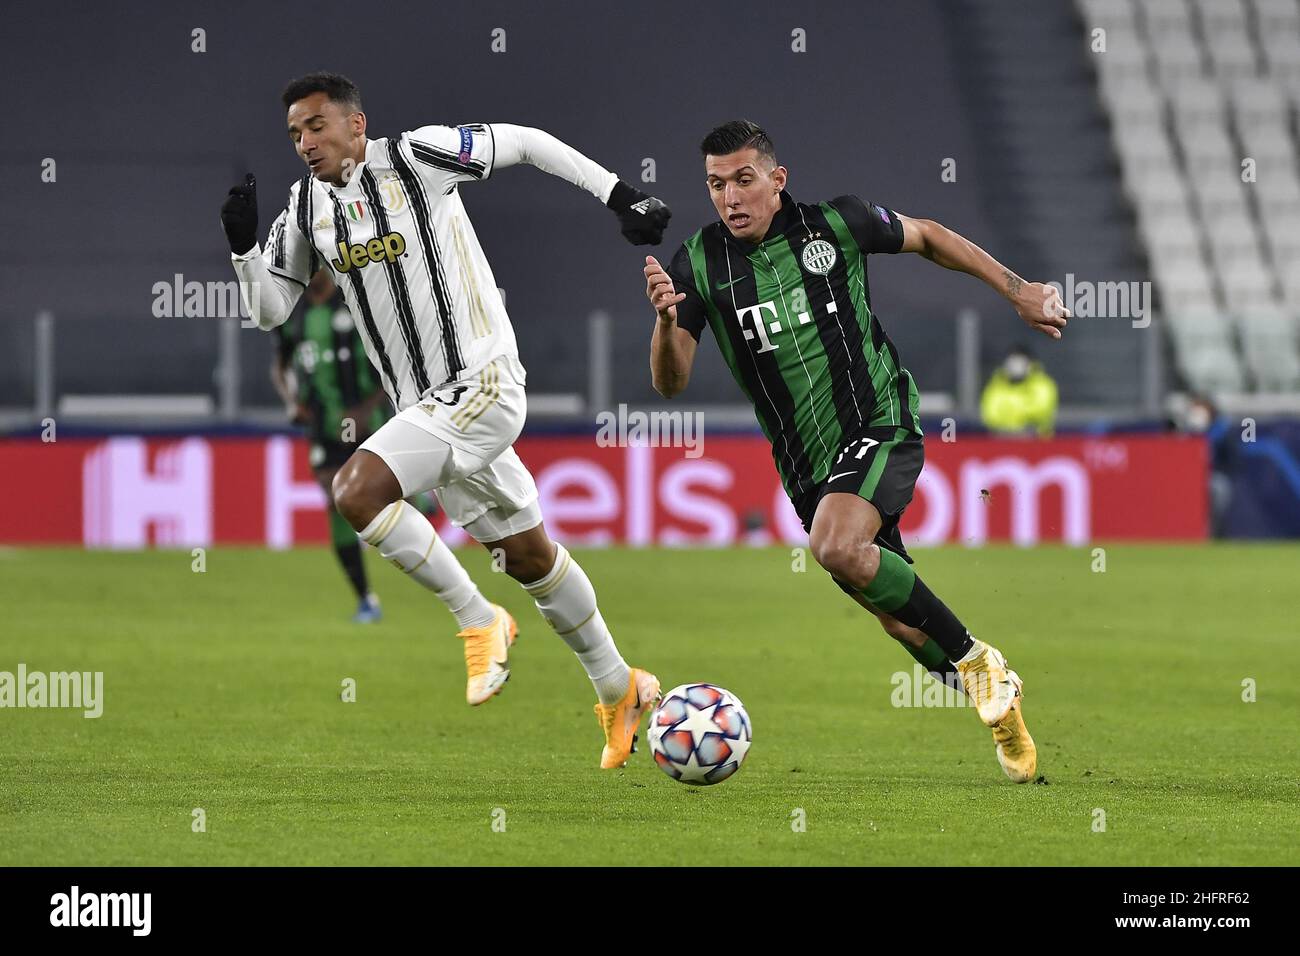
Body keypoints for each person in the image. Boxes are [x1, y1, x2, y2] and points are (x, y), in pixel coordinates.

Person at [222, 71, 671, 767]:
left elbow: (523, 142)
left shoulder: (416, 158)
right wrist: (244, 250)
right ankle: (622, 689)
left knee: (356, 492)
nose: (305, 144)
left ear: (356, 126)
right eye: (294, 134)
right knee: (528, 556)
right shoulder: (306, 206)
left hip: (482, 381)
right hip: (426, 411)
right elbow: (268, 311)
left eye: (316, 126)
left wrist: (616, 192)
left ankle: (478, 620)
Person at [643, 120, 1069, 782]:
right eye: (717, 184)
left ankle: (978, 663)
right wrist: (667, 324)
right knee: (900, 623)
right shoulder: (698, 263)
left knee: (836, 545)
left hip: (879, 421)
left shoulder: (836, 225)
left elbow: (928, 234)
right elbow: (670, 384)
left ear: (776, 180)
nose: (730, 197)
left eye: (744, 180)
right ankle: (1000, 702)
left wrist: (1018, 292)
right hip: (807, 469)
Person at [271, 268, 388, 623]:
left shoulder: (356, 303)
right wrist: (293, 402)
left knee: (385, 491)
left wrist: (367, 409)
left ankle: (418, 497)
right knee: (335, 496)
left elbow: (389, 360)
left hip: (368, 420)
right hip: (323, 424)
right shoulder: (295, 314)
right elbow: (280, 366)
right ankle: (366, 598)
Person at [980, 346, 1059, 436]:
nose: (1016, 365)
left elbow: (1041, 411)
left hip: (1036, 440)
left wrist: (1009, 412)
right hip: (1002, 439)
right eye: (1013, 361)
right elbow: (990, 415)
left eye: (1020, 361)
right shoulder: (996, 385)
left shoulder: (1043, 385)